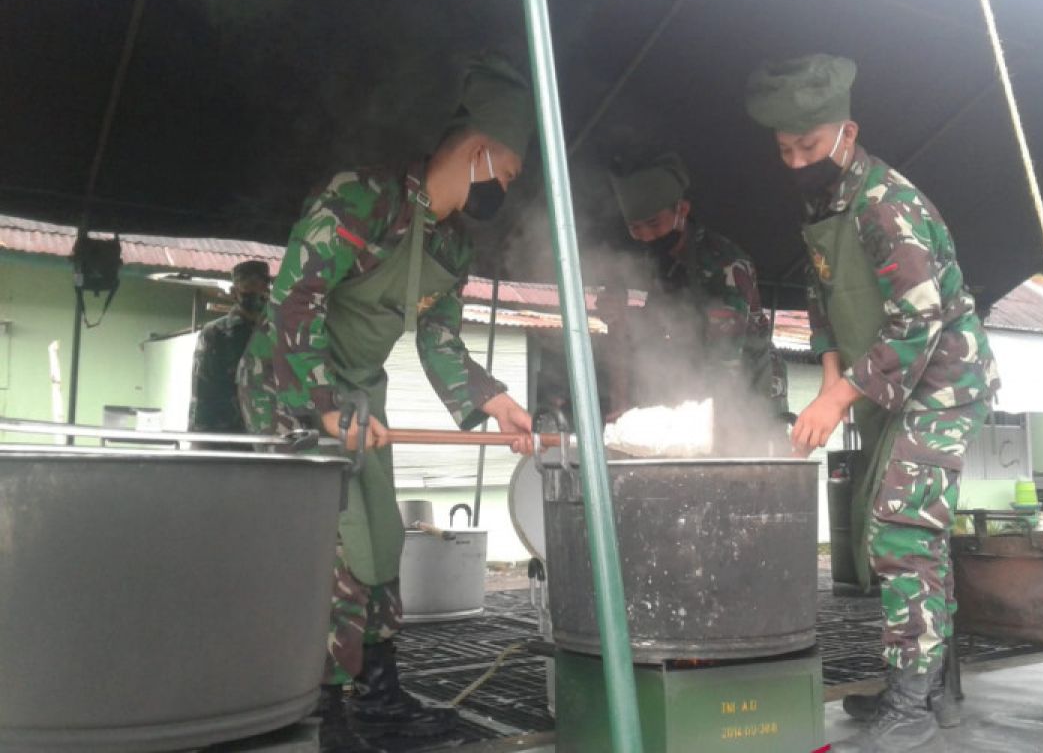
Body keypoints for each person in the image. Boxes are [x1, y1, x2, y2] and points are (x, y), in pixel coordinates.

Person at [237, 53, 536, 749]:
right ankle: (324, 711)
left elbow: (439, 341)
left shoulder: (453, 247)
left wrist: (495, 402)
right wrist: (322, 408)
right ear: (479, 151)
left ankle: (378, 695)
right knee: (334, 546)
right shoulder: (361, 199)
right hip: (289, 386)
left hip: (359, 396)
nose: (506, 192)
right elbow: (293, 302)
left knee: (380, 538)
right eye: (509, 174)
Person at [745, 53, 1000, 752]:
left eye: (807, 146)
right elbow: (825, 302)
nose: (796, 162)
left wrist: (842, 397)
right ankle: (931, 692)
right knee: (897, 526)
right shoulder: (823, 204)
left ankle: (913, 703)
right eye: (784, 150)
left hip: (944, 379)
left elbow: (920, 319)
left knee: (900, 525)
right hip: (894, 382)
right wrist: (830, 384)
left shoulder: (888, 203)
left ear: (847, 133)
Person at [600, 152, 788, 432]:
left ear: (682, 210)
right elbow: (663, 326)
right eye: (635, 229)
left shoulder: (724, 263)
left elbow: (725, 361)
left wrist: (672, 416)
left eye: (654, 224)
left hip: (748, 392)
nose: (647, 236)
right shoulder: (663, 265)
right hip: (693, 394)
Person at [188, 259, 271, 444]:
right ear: (234, 293)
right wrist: (199, 441)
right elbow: (202, 392)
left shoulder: (276, 333)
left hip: (268, 434)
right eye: (249, 286)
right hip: (226, 435)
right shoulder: (216, 333)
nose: (258, 292)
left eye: (263, 285)